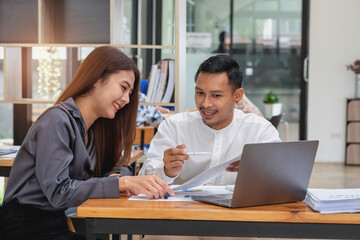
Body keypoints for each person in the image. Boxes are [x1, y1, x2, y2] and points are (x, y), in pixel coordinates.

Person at [0, 46, 174, 240]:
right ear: (97, 80)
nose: (126, 99)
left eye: (129, 93)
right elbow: (59, 192)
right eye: (123, 88)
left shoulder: (96, 128)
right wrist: (121, 183)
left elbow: (121, 167)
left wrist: (118, 177)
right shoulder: (57, 120)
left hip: (59, 223)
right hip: (24, 227)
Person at [139, 55, 280, 186]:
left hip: (239, 211)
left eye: (216, 95)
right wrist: (166, 171)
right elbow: (143, 179)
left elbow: (283, 178)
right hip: (184, 211)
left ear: (237, 96)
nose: (205, 104)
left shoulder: (259, 129)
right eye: (200, 93)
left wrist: (260, 170)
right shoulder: (174, 126)